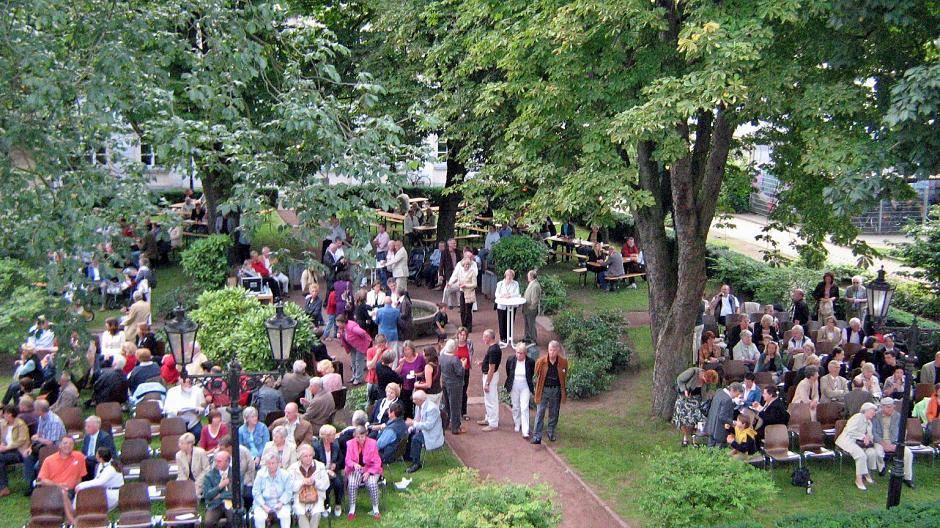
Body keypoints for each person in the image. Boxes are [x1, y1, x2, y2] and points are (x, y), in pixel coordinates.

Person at [66, 447, 123, 519]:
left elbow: (100, 482)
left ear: (101, 458)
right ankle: (75, 512)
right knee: (83, 493)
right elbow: (96, 479)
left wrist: (82, 485)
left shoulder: (110, 469)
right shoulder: (101, 465)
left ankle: (75, 513)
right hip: (103, 491)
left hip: (112, 495)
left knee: (87, 496)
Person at [24, 399, 67, 491]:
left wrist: (37, 438)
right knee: (28, 456)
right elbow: (39, 434)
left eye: (35, 409)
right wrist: (31, 445)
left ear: (40, 410)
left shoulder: (54, 421)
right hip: (43, 447)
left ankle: (41, 486)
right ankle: (30, 484)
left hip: (54, 449)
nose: (33, 411)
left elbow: (51, 442)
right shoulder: (41, 418)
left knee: (37, 466)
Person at [836, 402, 880, 490]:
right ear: (866, 411)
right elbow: (850, 431)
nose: (874, 413)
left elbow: (870, 436)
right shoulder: (857, 417)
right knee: (861, 455)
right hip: (847, 440)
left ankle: (867, 474)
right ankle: (858, 480)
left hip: (858, 442)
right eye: (873, 411)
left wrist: (869, 438)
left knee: (872, 452)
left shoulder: (869, 423)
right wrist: (863, 436)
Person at [872, 397, 914, 488]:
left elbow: (903, 432)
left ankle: (907, 477)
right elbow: (874, 433)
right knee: (878, 452)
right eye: (888, 407)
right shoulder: (876, 416)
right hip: (880, 441)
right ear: (882, 407)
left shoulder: (898, 416)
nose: (891, 409)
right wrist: (883, 444)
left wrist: (897, 443)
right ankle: (881, 468)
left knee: (908, 453)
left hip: (895, 442)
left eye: (892, 406)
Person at [531, 340, 568, 444]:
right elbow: (536, 373)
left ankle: (551, 432)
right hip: (543, 390)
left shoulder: (563, 362)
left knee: (554, 412)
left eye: (554, 350)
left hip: (555, 390)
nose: (552, 352)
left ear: (558, 351)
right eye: (550, 350)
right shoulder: (541, 361)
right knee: (540, 412)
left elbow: (564, 374)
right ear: (548, 350)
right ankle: (537, 436)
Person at [344, 425, 382, 521]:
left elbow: (377, 462)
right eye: (357, 437)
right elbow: (347, 460)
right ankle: (352, 509)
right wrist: (354, 464)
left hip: (371, 468)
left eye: (362, 436)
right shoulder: (349, 444)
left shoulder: (373, 443)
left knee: (372, 484)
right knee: (352, 484)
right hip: (355, 469)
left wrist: (369, 472)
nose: (360, 439)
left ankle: (375, 508)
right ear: (354, 436)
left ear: (366, 435)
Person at [673, 368, 719, 446]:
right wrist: (685, 390)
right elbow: (679, 380)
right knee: (685, 421)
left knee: (697, 420)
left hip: (697, 401)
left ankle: (696, 440)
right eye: (706, 381)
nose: (706, 383)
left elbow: (705, 392)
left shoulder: (707, 382)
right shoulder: (693, 372)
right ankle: (685, 439)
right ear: (704, 375)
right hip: (685, 400)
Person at [290, 443, 331, 528]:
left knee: (317, 512)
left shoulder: (320, 466)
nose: (308, 458)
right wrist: (302, 482)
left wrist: (315, 482)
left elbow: (326, 484)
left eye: (310, 455)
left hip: (317, 495)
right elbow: (290, 486)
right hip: (299, 496)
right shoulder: (293, 468)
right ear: (300, 457)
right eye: (305, 456)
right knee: (300, 512)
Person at [404, 390, 443, 473]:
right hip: (422, 430)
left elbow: (428, 426)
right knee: (407, 433)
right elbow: (417, 419)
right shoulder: (419, 406)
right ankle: (408, 456)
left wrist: (413, 423)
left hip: (432, 433)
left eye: (414, 399)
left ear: (420, 400)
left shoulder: (432, 408)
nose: (412, 401)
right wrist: (411, 427)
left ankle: (416, 463)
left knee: (416, 439)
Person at [252, 452, 293, 528]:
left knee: (285, 515)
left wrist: (281, 503)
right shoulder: (260, 474)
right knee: (259, 518)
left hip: (280, 502)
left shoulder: (285, 474)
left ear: (278, 463)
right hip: (263, 503)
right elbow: (256, 491)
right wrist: (264, 506)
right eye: (269, 463)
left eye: (273, 463)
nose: (271, 466)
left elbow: (288, 491)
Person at [313, 425, 344, 519]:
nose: (335, 436)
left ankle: (338, 504)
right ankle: (326, 505)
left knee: (338, 483)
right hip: (320, 472)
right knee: (326, 485)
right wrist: (325, 471)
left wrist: (335, 464)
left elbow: (341, 459)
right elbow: (314, 463)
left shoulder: (335, 444)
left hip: (333, 471)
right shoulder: (316, 446)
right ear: (326, 436)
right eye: (333, 435)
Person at [505, 343, 535, 439]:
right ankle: (517, 423)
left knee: (524, 407)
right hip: (514, 385)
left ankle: (525, 430)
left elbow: (531, 373)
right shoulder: (510, 360)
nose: (519, 355)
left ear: (525, 353)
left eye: (521, 353)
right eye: (517, 353)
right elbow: (508, 372)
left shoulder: (530, 362)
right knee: (516, 406)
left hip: (525, 386)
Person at [0, 404, 30, 497]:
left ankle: (3, 487)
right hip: (7, 450)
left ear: (10, 414)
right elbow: (2, 438)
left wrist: (7, 447)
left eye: (4, 413)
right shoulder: (4, 424)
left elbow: (22, 440)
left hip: (19, 451)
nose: (2, 415)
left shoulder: (20, 424)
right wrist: (2, 444)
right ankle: (3, 487)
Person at [203, 450, 236, 527]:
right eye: (216, 461)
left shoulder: (236, 473)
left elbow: (237, 493)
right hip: (215, 504)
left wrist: (220, 495)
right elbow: (207, 495)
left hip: (232, 503)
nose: (216, 464)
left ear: (227, 462)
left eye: (219, 461)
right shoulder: (209, 475)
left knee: (234, 519)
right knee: (209, 522)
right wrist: (220, 486)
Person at [439, 340, 466, 435]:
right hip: (455, 385)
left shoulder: (442, 357)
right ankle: (455, 427)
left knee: (446, 405)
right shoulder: (454, 359)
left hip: (445, 383)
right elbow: (460, 372)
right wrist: (463, 365)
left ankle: (445, 424)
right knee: (455, 406)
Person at [704, 382, 743, 447]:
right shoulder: (727, 400)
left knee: (710, 447)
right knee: (719, 450)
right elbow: (722, 416)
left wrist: (733, 403)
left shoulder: (719, 392)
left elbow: (720, 408)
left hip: (711, 424)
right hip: (719, 429)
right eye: (737, 394)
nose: (737, 396)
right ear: (733, 390)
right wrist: (733, 422)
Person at [336, 315, 371, 386]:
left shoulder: (352, 327)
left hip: (360, 346)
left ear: (342, 322)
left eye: (338, 323)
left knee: (358, 362)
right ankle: (354, 376)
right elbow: (342, 333)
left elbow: (363, 333)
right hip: (352, 346)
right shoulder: (342, 328)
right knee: (353, 361)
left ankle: (358, 378)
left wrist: (362, 341)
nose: (337, 325)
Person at [477, 330, 501, 431]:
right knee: (488, 399)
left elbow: (492, 368)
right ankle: (489, 418)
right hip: (489, 375)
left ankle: (493, 423)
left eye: (484, 337)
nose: (483, 339)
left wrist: (487, 382)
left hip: (490, 376)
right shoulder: (494, 348)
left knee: (491, 400)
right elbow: (490, 362)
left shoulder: (493, 350)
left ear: (489, 338)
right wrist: (483, 363)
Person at [448, 255, 478, 331]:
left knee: (468, 311)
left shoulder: (472, 273)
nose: (467, 266)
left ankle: (469, 327)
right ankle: (463, 326)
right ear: (463, 265)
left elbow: (474, 284)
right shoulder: (460, 272)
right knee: (462, 310)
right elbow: (456, 278)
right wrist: (450, 283)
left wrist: (466, 285)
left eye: (468, 265)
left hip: (469, 293)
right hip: (462, 292)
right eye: (465, 265)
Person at [396, 343, 426, 418]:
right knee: (407, 407)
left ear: (412, 349)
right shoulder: (402, 359)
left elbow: (425, 371)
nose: (406, 352)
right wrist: (401, 365)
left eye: (408, 349)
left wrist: (417, 374)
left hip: (418, 386)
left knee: (418, 406)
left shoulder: (420, 358)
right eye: (405, 350)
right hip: (406, 387)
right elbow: (396, 373)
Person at [493, 269, 520, 344]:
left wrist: (510, 295)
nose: (509, 277)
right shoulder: (500, 283)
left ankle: (509, 337)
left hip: (511, 306)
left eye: (511, 276)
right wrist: (503, 295)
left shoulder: (515, 283)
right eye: (508, 275)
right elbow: (496, 294)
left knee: (511, 320)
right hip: (502, 306)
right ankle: (503, 337)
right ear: (505, 275)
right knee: (502, 321)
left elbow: (517, 293)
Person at [454, 327, 474, 419]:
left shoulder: (469, 344)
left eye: (464, 335)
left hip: (465, 370)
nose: (462, 337)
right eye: (461, 334)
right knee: (456, 391)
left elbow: (471, 354)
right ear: (458, 335)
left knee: (464, 390)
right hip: (456, 371)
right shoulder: (454, 344)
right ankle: (455, 411)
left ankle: (464, 411)